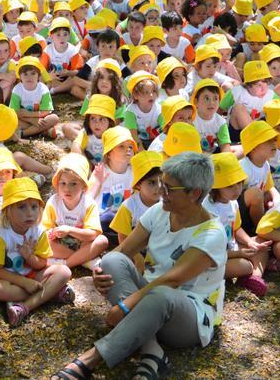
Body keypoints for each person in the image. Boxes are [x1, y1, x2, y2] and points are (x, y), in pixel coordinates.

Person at [49, 153, 226, 380]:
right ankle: (152, 351)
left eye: (170, 189)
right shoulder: (160, 211)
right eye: (163, 184)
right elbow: (122, 252)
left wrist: (124, 306)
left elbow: (172, 280)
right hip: (150, 296)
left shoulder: (211, 234)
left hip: (187, 314)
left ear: (195, 193)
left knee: (162, 294)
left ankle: (91, 358)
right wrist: (99, 271)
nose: (162, 192)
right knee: (112, 261)